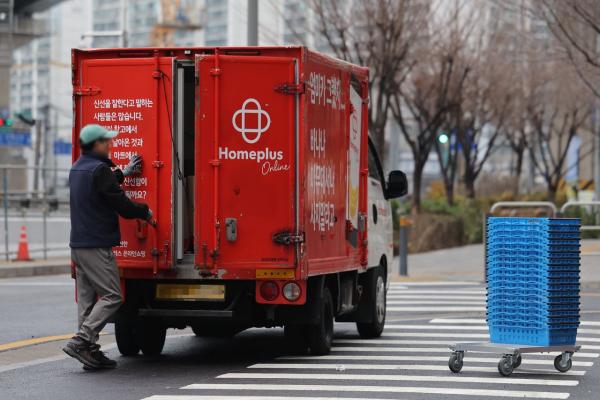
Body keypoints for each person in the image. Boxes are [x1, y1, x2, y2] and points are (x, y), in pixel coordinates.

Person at [63, 124, 152, 370]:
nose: (110, 145)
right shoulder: (100, 169)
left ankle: (89, 351)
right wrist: (144, 212)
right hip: (96, 244)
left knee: (87, 301)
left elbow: (103, 186)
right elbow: (120, 203)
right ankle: (81, 340)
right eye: (106, 142)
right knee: (113, 295)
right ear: (96, 145)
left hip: (78, 245)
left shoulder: (78, 168)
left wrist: (123, 172)